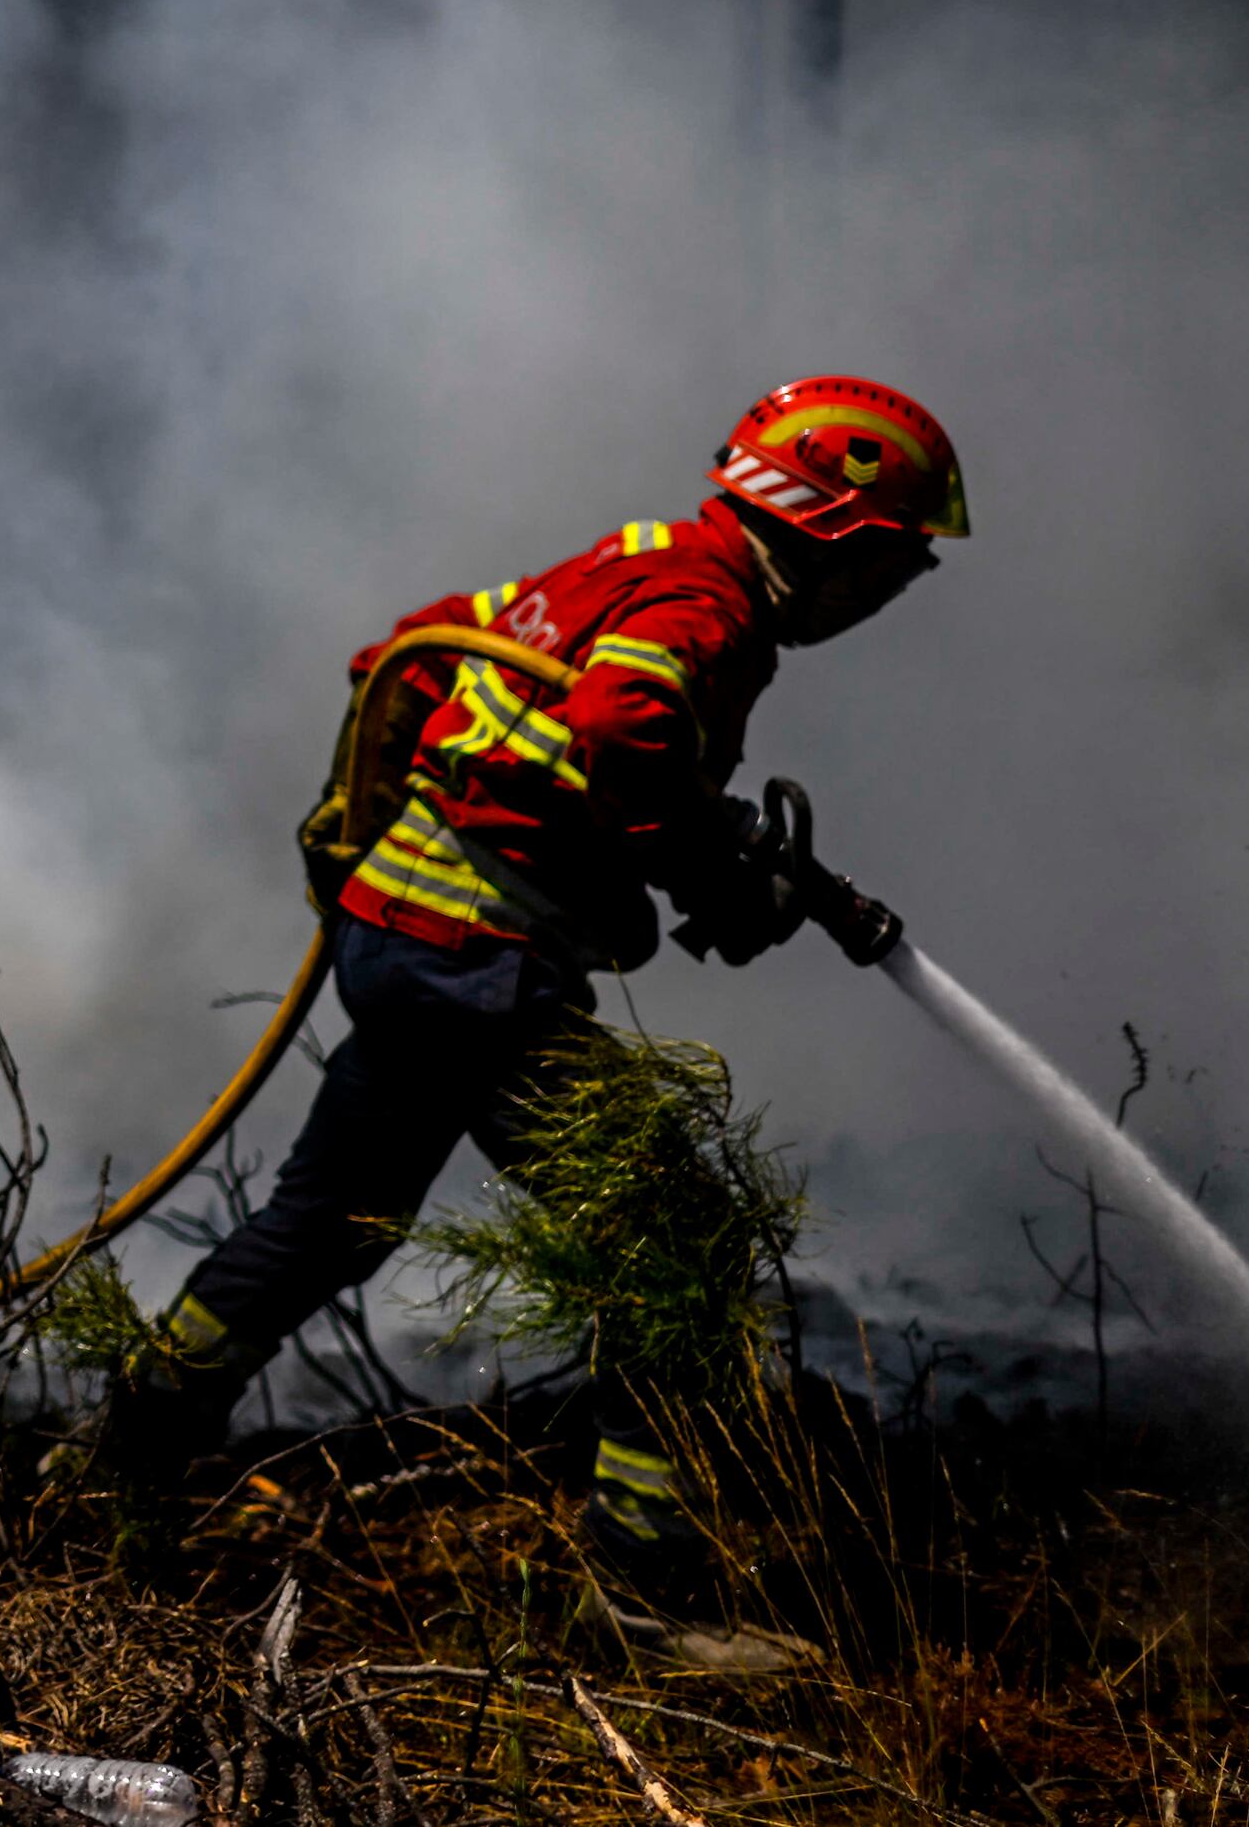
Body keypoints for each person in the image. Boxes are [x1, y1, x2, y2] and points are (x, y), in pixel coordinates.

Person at [98, 376, 963, 1557]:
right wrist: (703, 864)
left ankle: (110, 1471)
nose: (883, 596)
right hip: (475, 965)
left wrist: (362, 828)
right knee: (679, 1248)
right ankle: (641, 1581)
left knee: (322, 1226)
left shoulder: (629, 560)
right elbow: (618, 733)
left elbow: (406, 652)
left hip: (405, 939)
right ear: (826, 529)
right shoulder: (703, 607)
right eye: (889, 564)